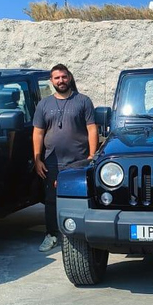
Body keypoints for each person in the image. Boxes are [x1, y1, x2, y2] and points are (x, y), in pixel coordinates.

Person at [33, 64, 99, 252]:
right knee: (51, 199)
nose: (60, 81)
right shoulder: (44, 104)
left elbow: (92, 129)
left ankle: (80, 236)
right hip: (52, 162)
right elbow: (38, 133)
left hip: (78, 161)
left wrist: (92, 156)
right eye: (56, 78)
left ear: (69, 77)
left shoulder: (83, 101)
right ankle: (52, 235)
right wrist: (37, 159)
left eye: (63, 77)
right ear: (51, 81)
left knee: (79, 197)